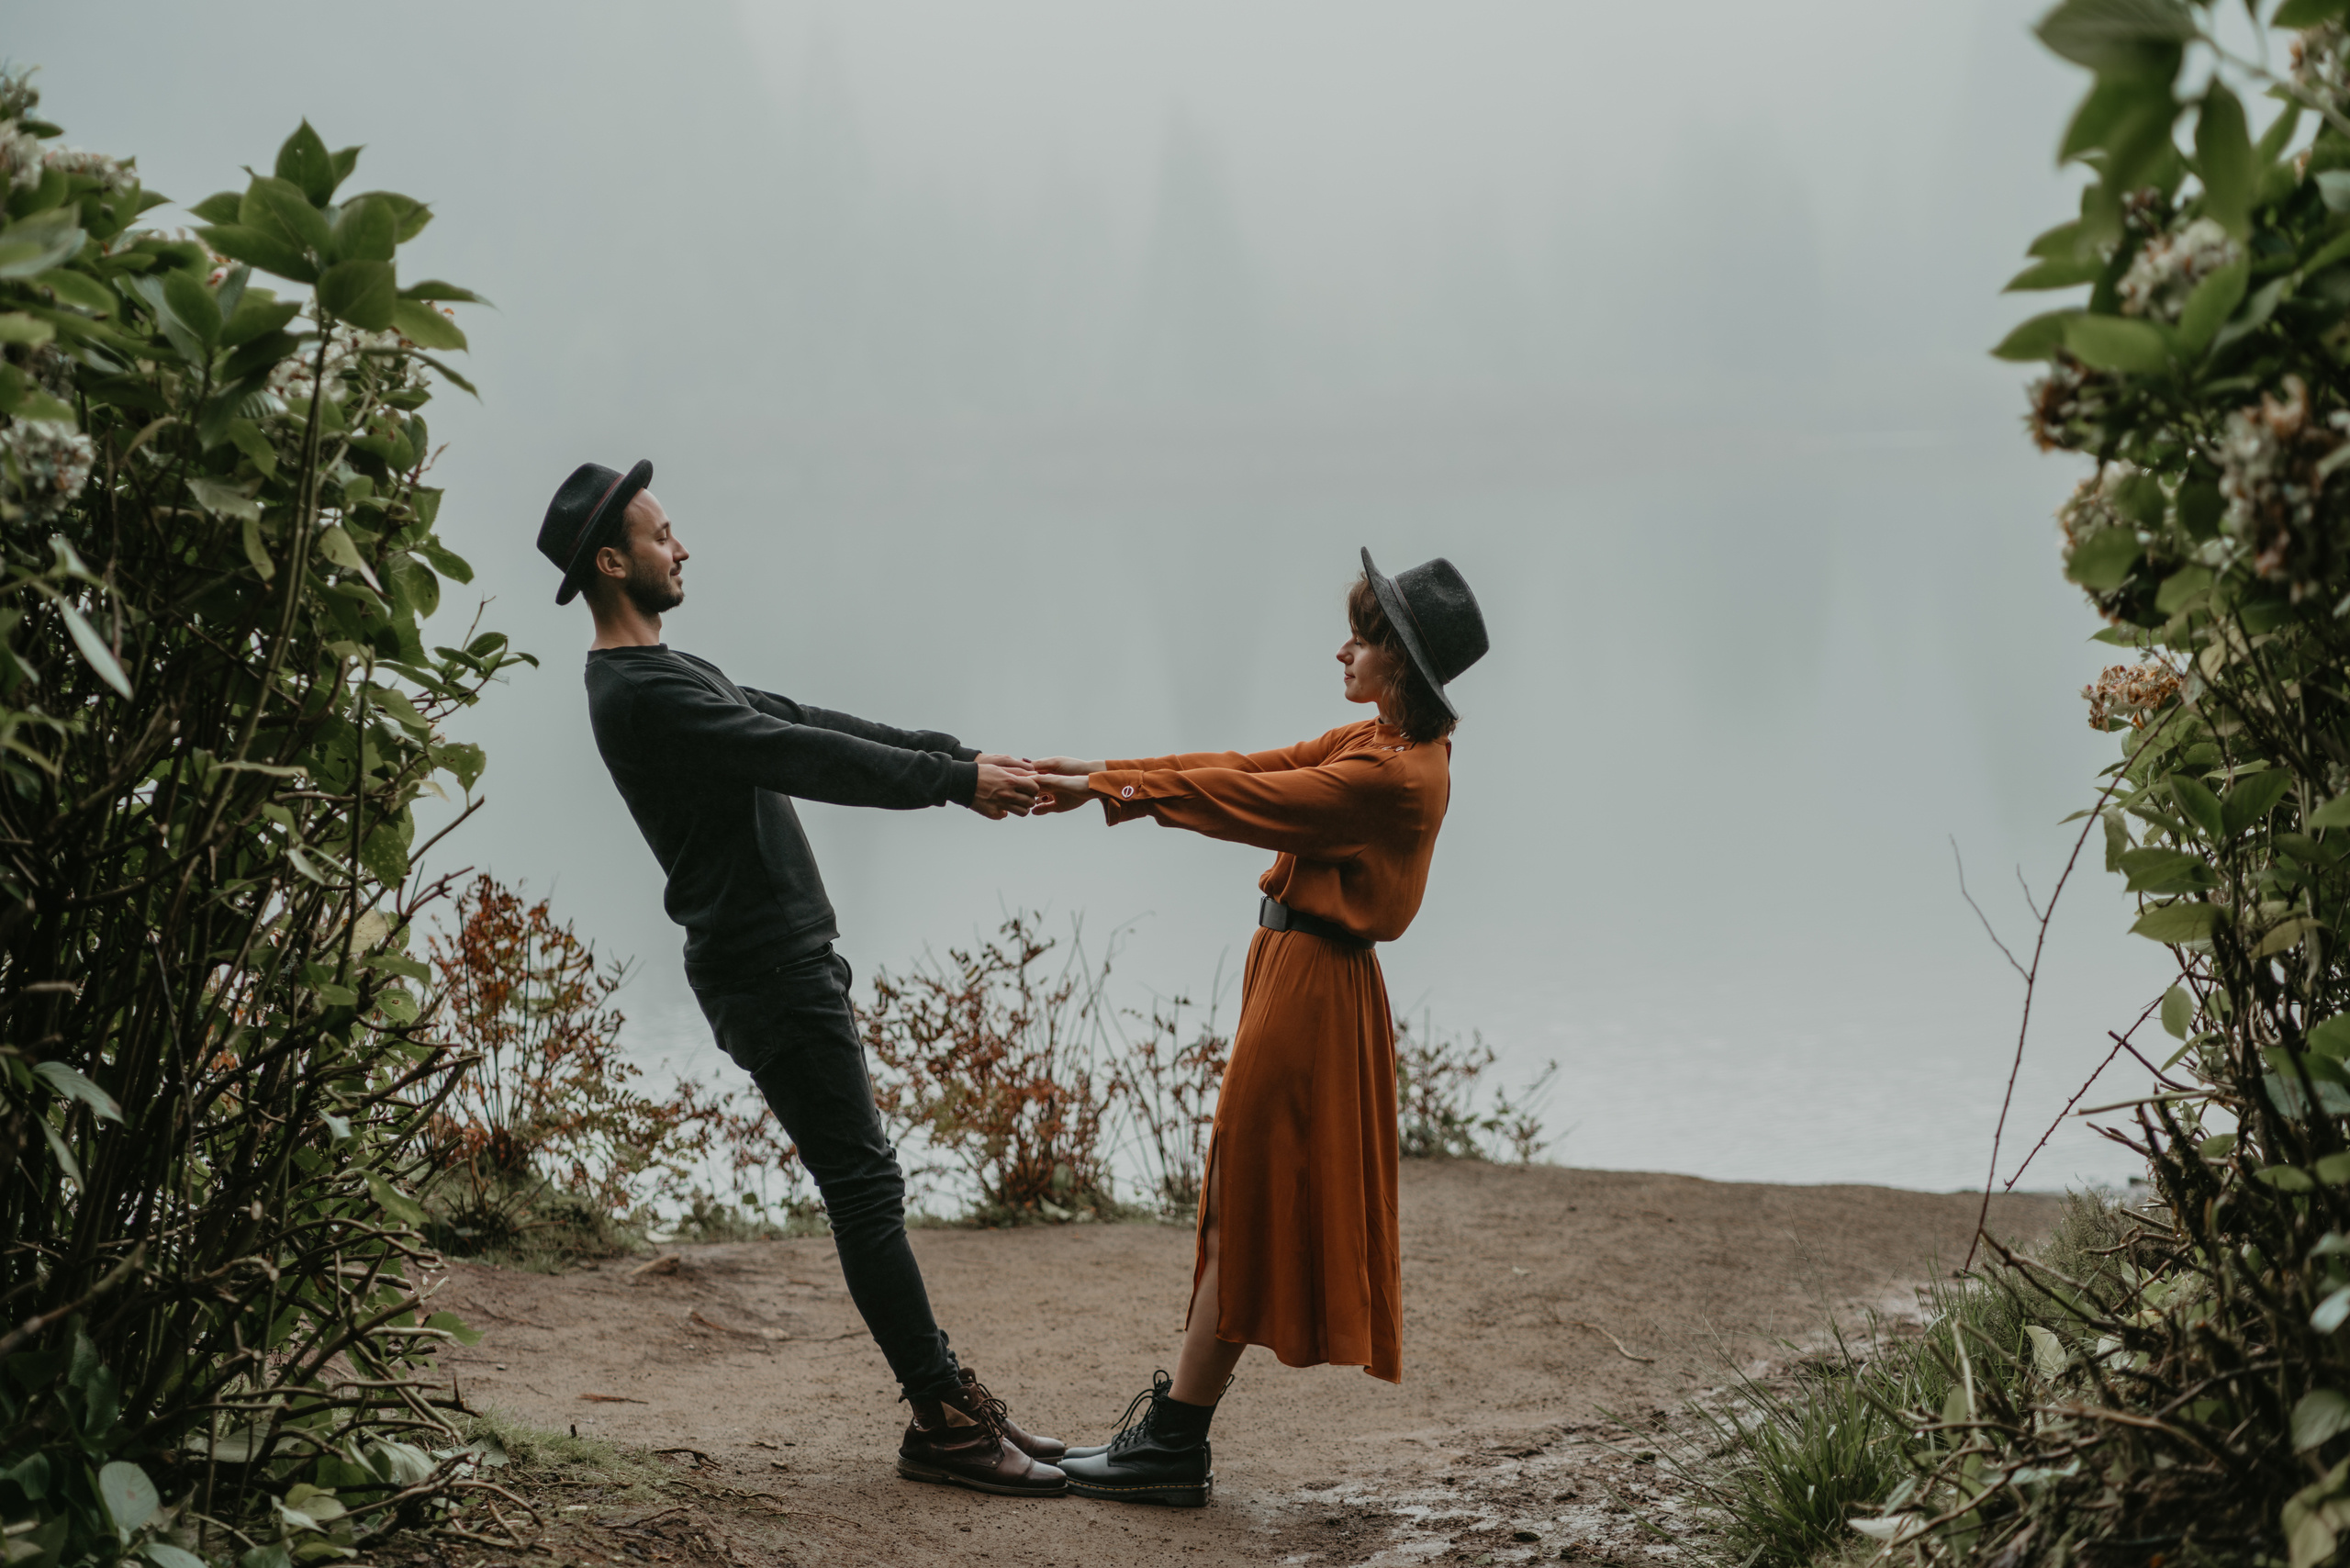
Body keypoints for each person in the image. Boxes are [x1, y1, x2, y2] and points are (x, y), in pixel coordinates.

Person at [538, 459, 1068, 1497]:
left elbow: (809, 718)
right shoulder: (638, 696)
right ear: (612, 560)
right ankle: (945, 1422)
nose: (681, 547)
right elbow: (790, 753)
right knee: (863, 1188)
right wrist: (952, 785)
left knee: (865, 1181)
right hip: (764, 970)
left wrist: (959, 758)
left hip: (782, 960)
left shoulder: (666, 669)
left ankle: (949, 1406)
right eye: (662, 535)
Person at [1027, 548, 1489, 1506]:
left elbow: (1249, 803)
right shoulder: (1380, 742)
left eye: (1361, 639)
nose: (1343, 652)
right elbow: (1243, 766)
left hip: (1314, 987)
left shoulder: (1397, 776)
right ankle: (1172, 1440)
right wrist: (1102, 773)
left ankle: (1173, 1444)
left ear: (1399, 659)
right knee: (1242, 1193)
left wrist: (1115, 789)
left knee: (1245, 1196)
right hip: (1293, 970)